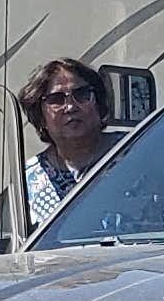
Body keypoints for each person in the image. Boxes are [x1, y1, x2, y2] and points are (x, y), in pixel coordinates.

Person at [20, 57, 114, 223]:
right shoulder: (26, 182)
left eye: (82, 94)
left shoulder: (137, 151)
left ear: (98, 103)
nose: (70, 107)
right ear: (41, 117)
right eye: (56, 99)